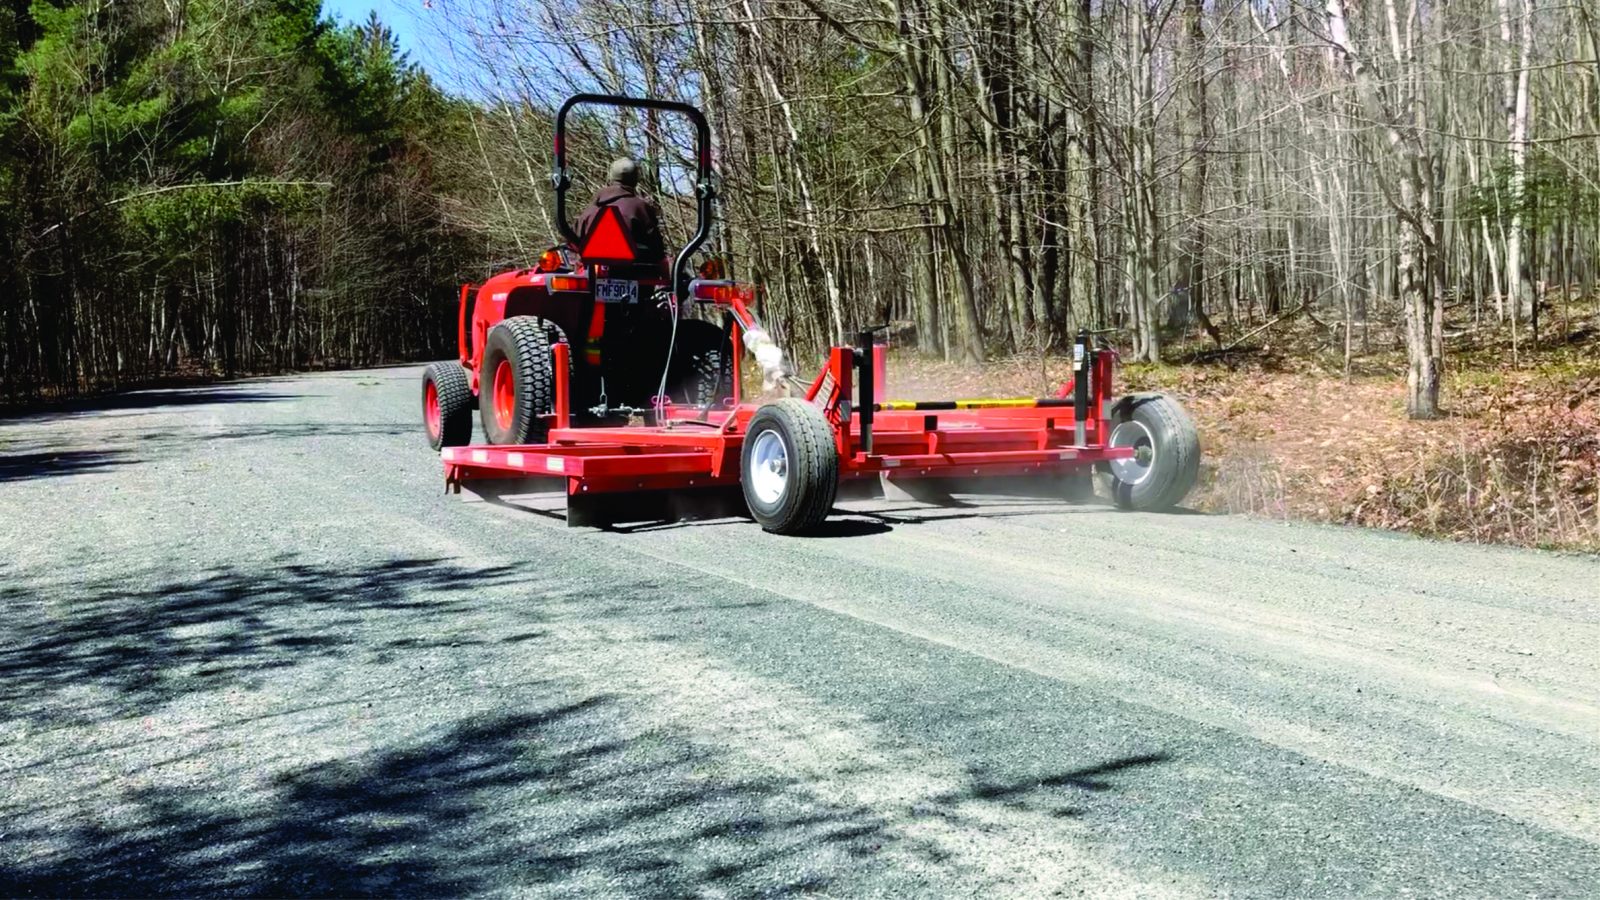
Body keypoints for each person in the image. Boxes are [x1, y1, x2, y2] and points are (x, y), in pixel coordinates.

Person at [575, 158, 666, 264]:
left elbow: (574, 242)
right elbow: (657, 249)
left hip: (593, 273)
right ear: (635, 180)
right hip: (635, 273)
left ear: (611, 178)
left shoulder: (591, 209)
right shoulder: (641, 208)